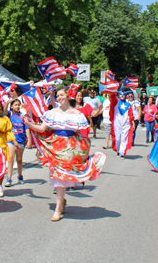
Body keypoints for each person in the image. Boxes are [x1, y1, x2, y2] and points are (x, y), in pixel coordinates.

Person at [23, 87, 106, 221]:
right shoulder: (52, 113)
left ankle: (58, 207)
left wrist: (83, 152)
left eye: (61, 95)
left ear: (68, 96)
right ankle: (60, 204)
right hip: (56, 147)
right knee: (57, 177)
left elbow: (80, 134)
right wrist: (29, 124)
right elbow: (42, 128)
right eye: (57, 96)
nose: (59, 97)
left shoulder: (77, 114)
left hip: (70, 148)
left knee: (63, 176)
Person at [4, 98, 31, 187]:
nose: (17, 106)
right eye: (15, 105)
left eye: (19, 105)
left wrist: (29, 140)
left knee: (19, 160)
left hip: (21, 140)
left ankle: (20, 176)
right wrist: (7, 104)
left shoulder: (23, 117)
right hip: (11, 140)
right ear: (12, 107)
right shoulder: (10, 114)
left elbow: (27, 129)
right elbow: (4, 112)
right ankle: (9, 178)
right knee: (10, 158)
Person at [110, 90, 134, 158]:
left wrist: (132, 123)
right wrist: (113, 90)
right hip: (117, 123)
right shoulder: (116, 103)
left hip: (126, 124)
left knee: (124, 138)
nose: (122, 96)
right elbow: (112, 98)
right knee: (117, 138)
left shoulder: (129, 105)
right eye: (121, 95)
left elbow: (131, 114)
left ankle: (122, 152)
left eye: (123, 95)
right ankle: (118, 150)